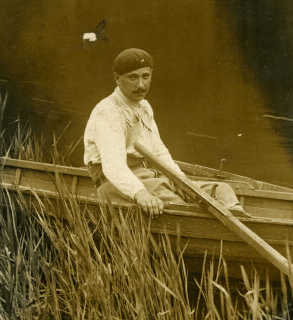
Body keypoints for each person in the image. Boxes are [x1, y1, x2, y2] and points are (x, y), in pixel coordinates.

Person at [84, 48, 249, 217]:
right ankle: (219, 226)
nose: (141, 85)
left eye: (145, 76)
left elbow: (159, 152)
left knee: (222, 189)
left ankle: (236, 217)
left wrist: (179, 181)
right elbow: (114, 167)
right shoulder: (108, 111)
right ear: (117, 78)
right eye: (133, 77)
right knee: (179, 205)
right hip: (117, 184)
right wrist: (140, 194)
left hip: (151, 177)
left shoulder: (144, 106)